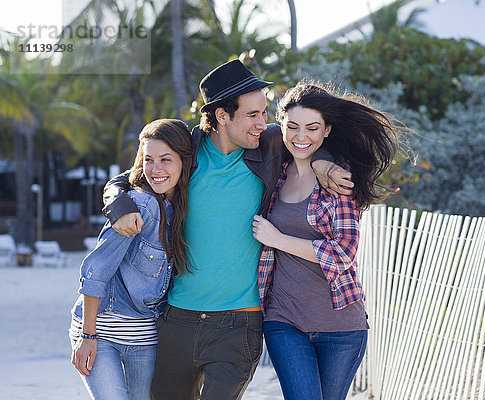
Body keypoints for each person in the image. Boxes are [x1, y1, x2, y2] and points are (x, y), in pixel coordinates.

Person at [101, 60, 353, 400]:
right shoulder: (186, 150)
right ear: (222, 115)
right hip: (178, 318)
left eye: (265, 113)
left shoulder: (270, 145)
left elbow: (309, 138)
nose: (264, 123)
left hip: (240, 323)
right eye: (253, 115)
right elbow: (131, 177)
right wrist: (118, 204)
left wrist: (323, 161)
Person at [252, 81, 403, 400]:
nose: (300, 136)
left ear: (327, 130)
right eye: (292, 126)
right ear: (281, 125)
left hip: (341, 326)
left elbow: (342, 254)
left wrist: (277, 238)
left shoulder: (339, 179)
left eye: (312, 127)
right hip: (284, 318)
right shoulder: (274, 173)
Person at [69, 119, 193, 400]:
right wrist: (87, 338)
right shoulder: (139, 205)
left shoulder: (183, 207)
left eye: (165, 159)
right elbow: (96, 271)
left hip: (145, 339)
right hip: (101, 333)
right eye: (148, 160)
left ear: (184, 162)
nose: (155, 169)